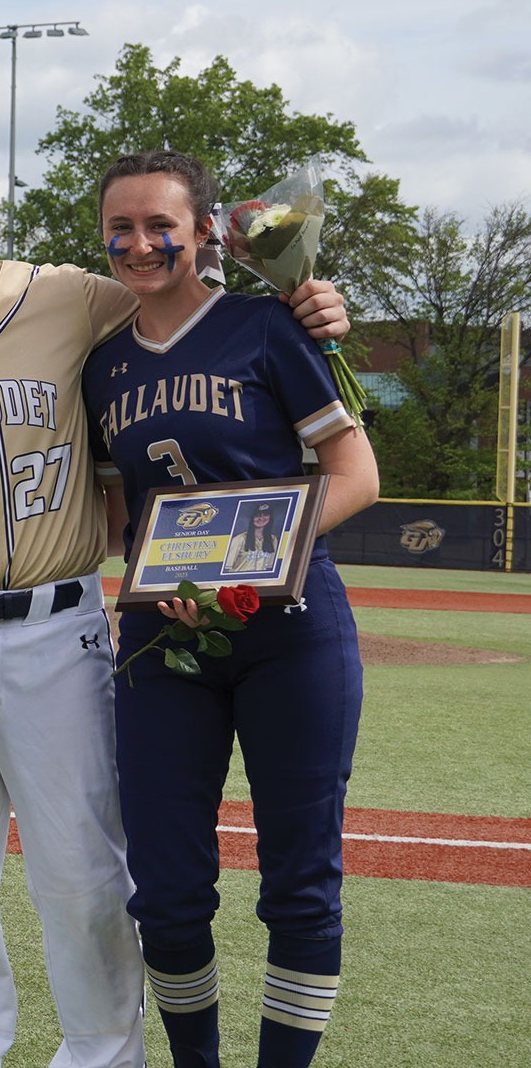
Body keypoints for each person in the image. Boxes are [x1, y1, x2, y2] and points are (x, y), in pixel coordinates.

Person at [0, 121, 353, 1068]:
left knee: (83, 881)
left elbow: (188, 298)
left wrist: (309, 300)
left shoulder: (78, 298)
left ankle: (104, 1056)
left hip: (54, 618)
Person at [81, 149, 379, 1068]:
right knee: (166, 893)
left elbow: (356, 474)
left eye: (160, 225)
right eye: (121, 228)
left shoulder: (269, 326)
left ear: (205, 231)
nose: (141, 243)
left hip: (289, 630)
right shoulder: (101, 367)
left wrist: (248, 565)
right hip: (163, 641)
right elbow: (118, 521)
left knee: (300, 884)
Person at [223, 503, 283, 574]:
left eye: (265, 515)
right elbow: (226, 569)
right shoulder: (239, 539)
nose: (261, 518)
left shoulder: (273, 539)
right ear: (252, 518)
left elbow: (269, 567)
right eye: (257, 515)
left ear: (270, 517)